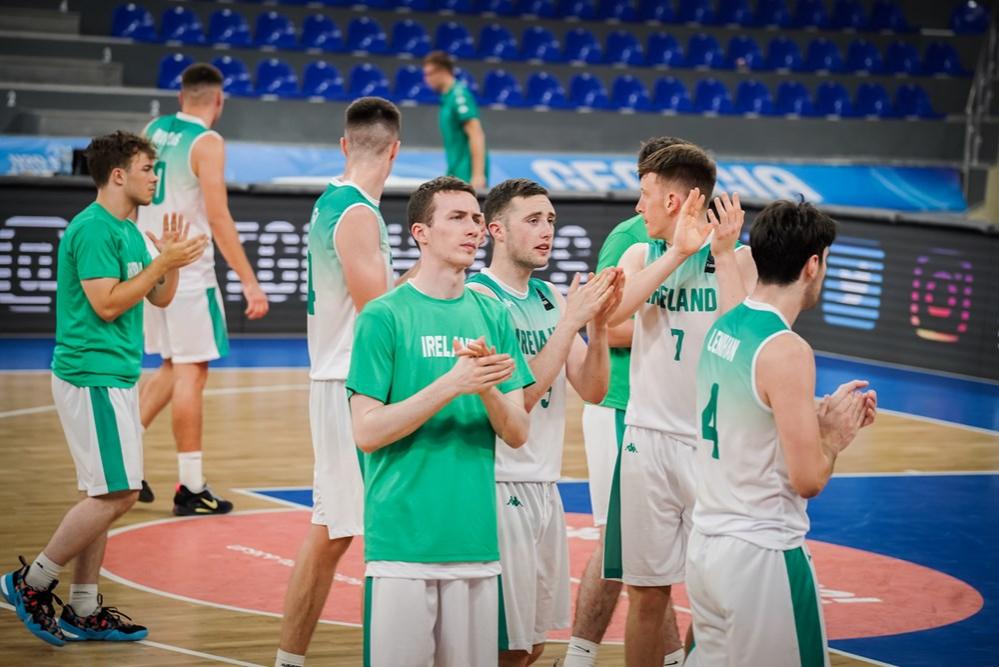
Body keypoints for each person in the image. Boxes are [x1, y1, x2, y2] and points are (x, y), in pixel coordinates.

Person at [1, 131, 206, 646]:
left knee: (103, 491)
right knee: (120, 492)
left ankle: (84, 608)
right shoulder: (93, 229)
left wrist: (171, 264)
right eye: (147, 169)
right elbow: (108, 304)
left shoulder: (130, 230)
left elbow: (157, 298)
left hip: (114, 376)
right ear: (119, 175)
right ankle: (32, 582)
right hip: (90, 375)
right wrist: (162, 263)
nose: (155, 178)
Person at [346, 176, 533, 667]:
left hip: (475, 541)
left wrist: (485, 387)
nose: (472, 228)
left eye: (476, 219)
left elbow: (517, 431)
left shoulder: (492, 315)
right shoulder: (382, 317)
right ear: (421, 234)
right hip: (403, 545)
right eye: (456, 218)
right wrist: (453, 383)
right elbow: (366, 432)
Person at [685, 200, 877, 667]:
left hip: (707, 548)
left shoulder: (724, 327)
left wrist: (810, 411)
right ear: (813, 265)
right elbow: (807, 479)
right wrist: (832, 437)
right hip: (762, 555)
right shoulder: (788, 350)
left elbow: (752, 403)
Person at [603, 144, 757, 667]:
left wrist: (722, 254)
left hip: (712, 449)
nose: (638, 207)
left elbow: (745, 336)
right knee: (646, 593)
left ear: (672, 199)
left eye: (645, 195)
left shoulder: (741, 259)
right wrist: (675, 255)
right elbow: (612, 316)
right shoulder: (642, 255)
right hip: (646, 439)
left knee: (717, 594)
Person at [467, 178, 622, 667]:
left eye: (551, 220)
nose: (546, 230)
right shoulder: (479, 299)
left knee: (533, 644)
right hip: (498, 484)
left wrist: (595, 327)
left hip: (543, 484)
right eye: (532, 220)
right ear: (496, 229)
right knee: (505, 648)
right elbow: (523, 401)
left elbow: (594, 390)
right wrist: (569, 324)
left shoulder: (551, 296)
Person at [274, 96, 402, 667]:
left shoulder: (334, 202)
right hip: (351, 384)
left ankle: (290, 658)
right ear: (396, 151)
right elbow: (377, 310)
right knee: (351, 534)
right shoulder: (356, 214)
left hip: (341, 381)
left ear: (345, 144)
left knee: (333, 532)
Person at [567, 136, 688, 667]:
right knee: (626, 552)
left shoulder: (715, 246)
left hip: (681, 421)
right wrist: (674, 327)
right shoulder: (630, 237)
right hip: (622, 406)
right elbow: (606, 325)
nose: (644, 200)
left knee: (657, 557)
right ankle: (579, 654)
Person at [136, 62, 269, 515]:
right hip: (187, 267)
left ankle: (121, 464)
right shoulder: (208, 142)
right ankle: (191, 486)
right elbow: (217, 218)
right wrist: (249, 281)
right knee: (192, 371)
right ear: (218, 100)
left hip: (151, 257)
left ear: (180, 97)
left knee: (173, 366)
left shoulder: (153, 128)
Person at [422, 51, 489, 190]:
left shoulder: (459, 96)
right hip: (455, 170)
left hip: (467, 174)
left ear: (443, 71)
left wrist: (477, 175)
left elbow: (476, 134)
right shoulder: (447, 98)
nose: (426, 79)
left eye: (429, 74)